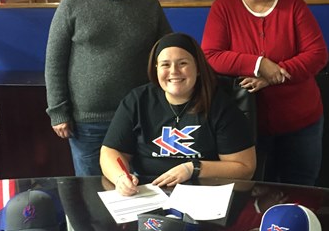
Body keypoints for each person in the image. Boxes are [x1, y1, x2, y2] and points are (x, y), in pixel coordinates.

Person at [45, 0, 172, 176]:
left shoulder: (149, 6)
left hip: (137, 120)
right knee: (94, 195)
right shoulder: (74, 1)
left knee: (139, 192)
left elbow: (168, 54)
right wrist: (57, 110)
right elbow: (54, 60)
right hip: (87, 123)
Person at [201, 0, 328, 186]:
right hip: (244, 126)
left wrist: (273, 75)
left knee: (301, 189)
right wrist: (259, 64)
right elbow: (210, 56)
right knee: (252, 193)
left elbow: (317, 54)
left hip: (300, 123)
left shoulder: (294, 6)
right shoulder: (223, 7)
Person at [100, 32, 256, 196]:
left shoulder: (221, 105)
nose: (174, 71)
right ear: (156, 69)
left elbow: (244, 168)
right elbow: (110, 151)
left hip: (205, 195)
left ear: (197, 68)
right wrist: (120, 178)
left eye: (182, 63)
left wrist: (192, 168)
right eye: (165, 65)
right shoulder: (137, 100)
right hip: (148, 193)